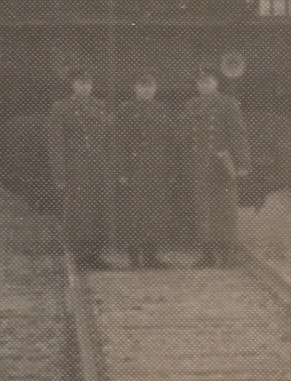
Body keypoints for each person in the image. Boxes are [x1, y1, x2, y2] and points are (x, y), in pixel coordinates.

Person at [180, 66, 249, 269]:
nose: (204, 85)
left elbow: (238, 135)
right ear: (196, 85)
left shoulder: (227, 104)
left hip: (222, 166)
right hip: (200, 165)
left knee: (226, 209)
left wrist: (243, 163)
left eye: (208, 81)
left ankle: (228, 254)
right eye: (200, 82)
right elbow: (184, 136)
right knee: (204, 210)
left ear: (216, 83)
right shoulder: (192, 105)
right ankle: (208, 254)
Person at [113, 70, 180, 269]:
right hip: (134, 168)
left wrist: (170, 169)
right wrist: (122, 171)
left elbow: (171, 142)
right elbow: (119, 143)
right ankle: (134, 257)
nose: (146, 91)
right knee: (134, 212)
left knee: (155, 212)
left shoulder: (161, 110)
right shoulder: (125, 110)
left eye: (150, 87)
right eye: (142, 87)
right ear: (135, 89)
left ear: (155, 89)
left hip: (157, 168)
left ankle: (151, 256)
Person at [46, 69, 110, 269]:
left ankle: (95, 255)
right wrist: (60, 174)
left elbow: (107, 140)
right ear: (72, 85)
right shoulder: (61, 108)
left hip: (97, 167)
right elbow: (56, 144)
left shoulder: (99, 106)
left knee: (97, 210)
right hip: (76, 168)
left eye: (88, 83)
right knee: (79, 212)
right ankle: (80, 256)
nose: (85, 87)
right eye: (80, 83)